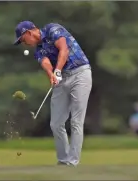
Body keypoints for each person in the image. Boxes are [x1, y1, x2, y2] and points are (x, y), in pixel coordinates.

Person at [13, 21, 92, 166]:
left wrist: (58, 70)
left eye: (24, 40)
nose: (25, 44)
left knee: (76, 121)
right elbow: (45, 62)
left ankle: (72, 162)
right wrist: (51, 74)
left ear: (29, 33)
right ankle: (63, 160)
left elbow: (64, 49)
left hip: (80, 74)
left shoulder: (52, 29)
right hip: (61, 78)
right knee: (56, 123)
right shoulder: (38, 50)